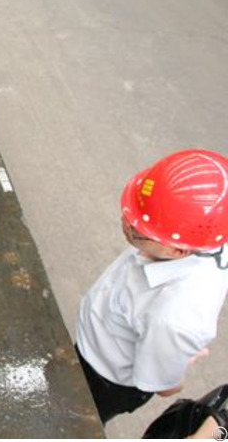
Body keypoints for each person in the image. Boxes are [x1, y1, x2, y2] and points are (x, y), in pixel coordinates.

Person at [75, 149, 228, 424]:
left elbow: (166, 385)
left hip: (104, 378)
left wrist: (176, 356)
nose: (126, 223)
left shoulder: (176, 319)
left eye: (137, 231)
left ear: (178, 251)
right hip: (101, 338)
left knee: (74, 417)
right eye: (129, 215)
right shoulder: (202, 231)